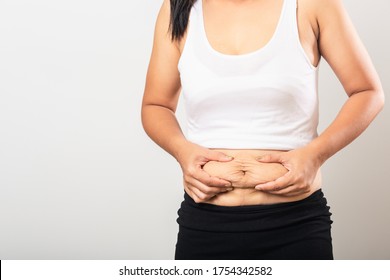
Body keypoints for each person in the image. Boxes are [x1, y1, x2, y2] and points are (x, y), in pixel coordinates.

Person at [141, 0, 384, 260]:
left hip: (295, 224)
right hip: (205, 223)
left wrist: (315, 154)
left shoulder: (312, 5)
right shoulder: (178, 8)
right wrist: (182, 151)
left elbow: (368, 92)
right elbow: (156, 105)